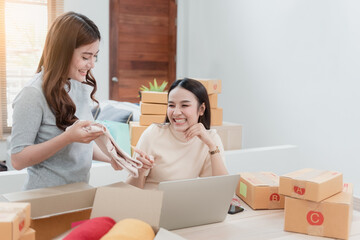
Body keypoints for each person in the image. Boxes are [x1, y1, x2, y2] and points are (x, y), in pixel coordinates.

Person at [10, 12, 132, 190]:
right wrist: (67, 137)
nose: (91, 64)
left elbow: (80, 149)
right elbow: (18, 159)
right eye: (85, 57)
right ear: (63, 52)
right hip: (45, 198)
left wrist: (113, 157)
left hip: (78, 193)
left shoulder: (77, 87)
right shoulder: (32, 94)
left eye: (94, 56)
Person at [127, 78, 229, 189]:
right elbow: (129, 191)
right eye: (171, 105)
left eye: (184, 105)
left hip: (182, 204)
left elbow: (222, 188)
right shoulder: (153, 133)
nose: (176, 112)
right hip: (151, 202)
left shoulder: (210, 138)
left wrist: (211, 145)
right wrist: (140, 171)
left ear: (201, 109)